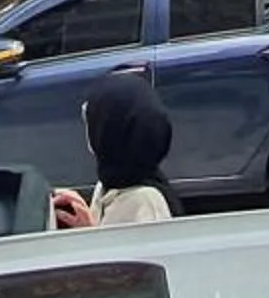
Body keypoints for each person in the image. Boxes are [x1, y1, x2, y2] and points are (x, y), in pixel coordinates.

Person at [49, 73, 175, 229]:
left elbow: (122, 252)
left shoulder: (146, 204)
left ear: (109, 132)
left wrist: (87, 232)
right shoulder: (110, 183)